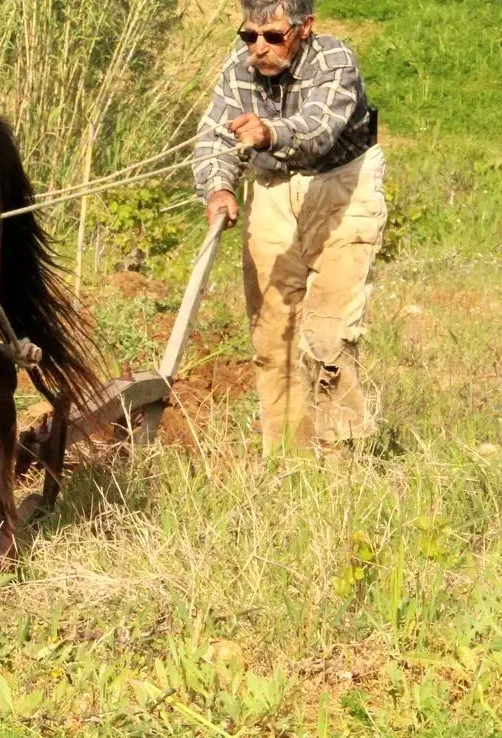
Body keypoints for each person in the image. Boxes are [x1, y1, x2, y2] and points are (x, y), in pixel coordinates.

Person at [194, 0, 387, 454]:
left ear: (304, 29)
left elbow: (318, 128)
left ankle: (339, 460)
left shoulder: (334, 59)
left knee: (328, 334)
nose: (259, 48)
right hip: (272, 190)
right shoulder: (237, 70)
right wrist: (219, 189)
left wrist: (268, 132)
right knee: (272, 333)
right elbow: (213, 138)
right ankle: (286, 460)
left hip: (342, 185)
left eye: (273, 36)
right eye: (250, 36)